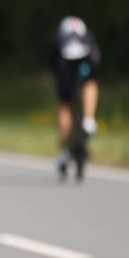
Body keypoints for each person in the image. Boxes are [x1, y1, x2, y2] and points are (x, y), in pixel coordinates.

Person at [50, 16, 101, 177]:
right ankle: (88, 119)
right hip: (82, 61)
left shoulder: (58, 38)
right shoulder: (86, 37)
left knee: (65, 103)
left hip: (67, 64)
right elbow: (96, 59)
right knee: (90, 84)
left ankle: (66, 146)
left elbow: (52, 63)